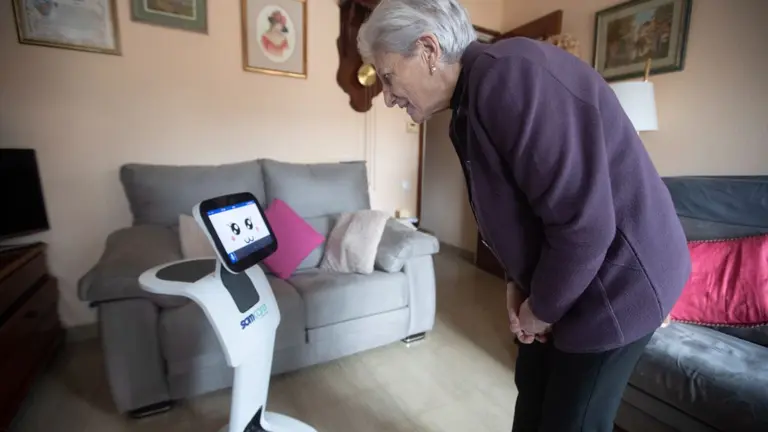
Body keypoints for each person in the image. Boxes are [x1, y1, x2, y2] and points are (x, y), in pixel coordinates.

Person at [357, 1, 692, 431]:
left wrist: (542, 309)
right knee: (532, 388)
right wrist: (520, 286)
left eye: (388, 77)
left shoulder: (510, 78)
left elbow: (585, 228)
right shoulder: (468, 104)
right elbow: (520, 209)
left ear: (428, 50)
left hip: (619, 282)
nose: (386, 96)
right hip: (570, 276)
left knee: (572, 419)